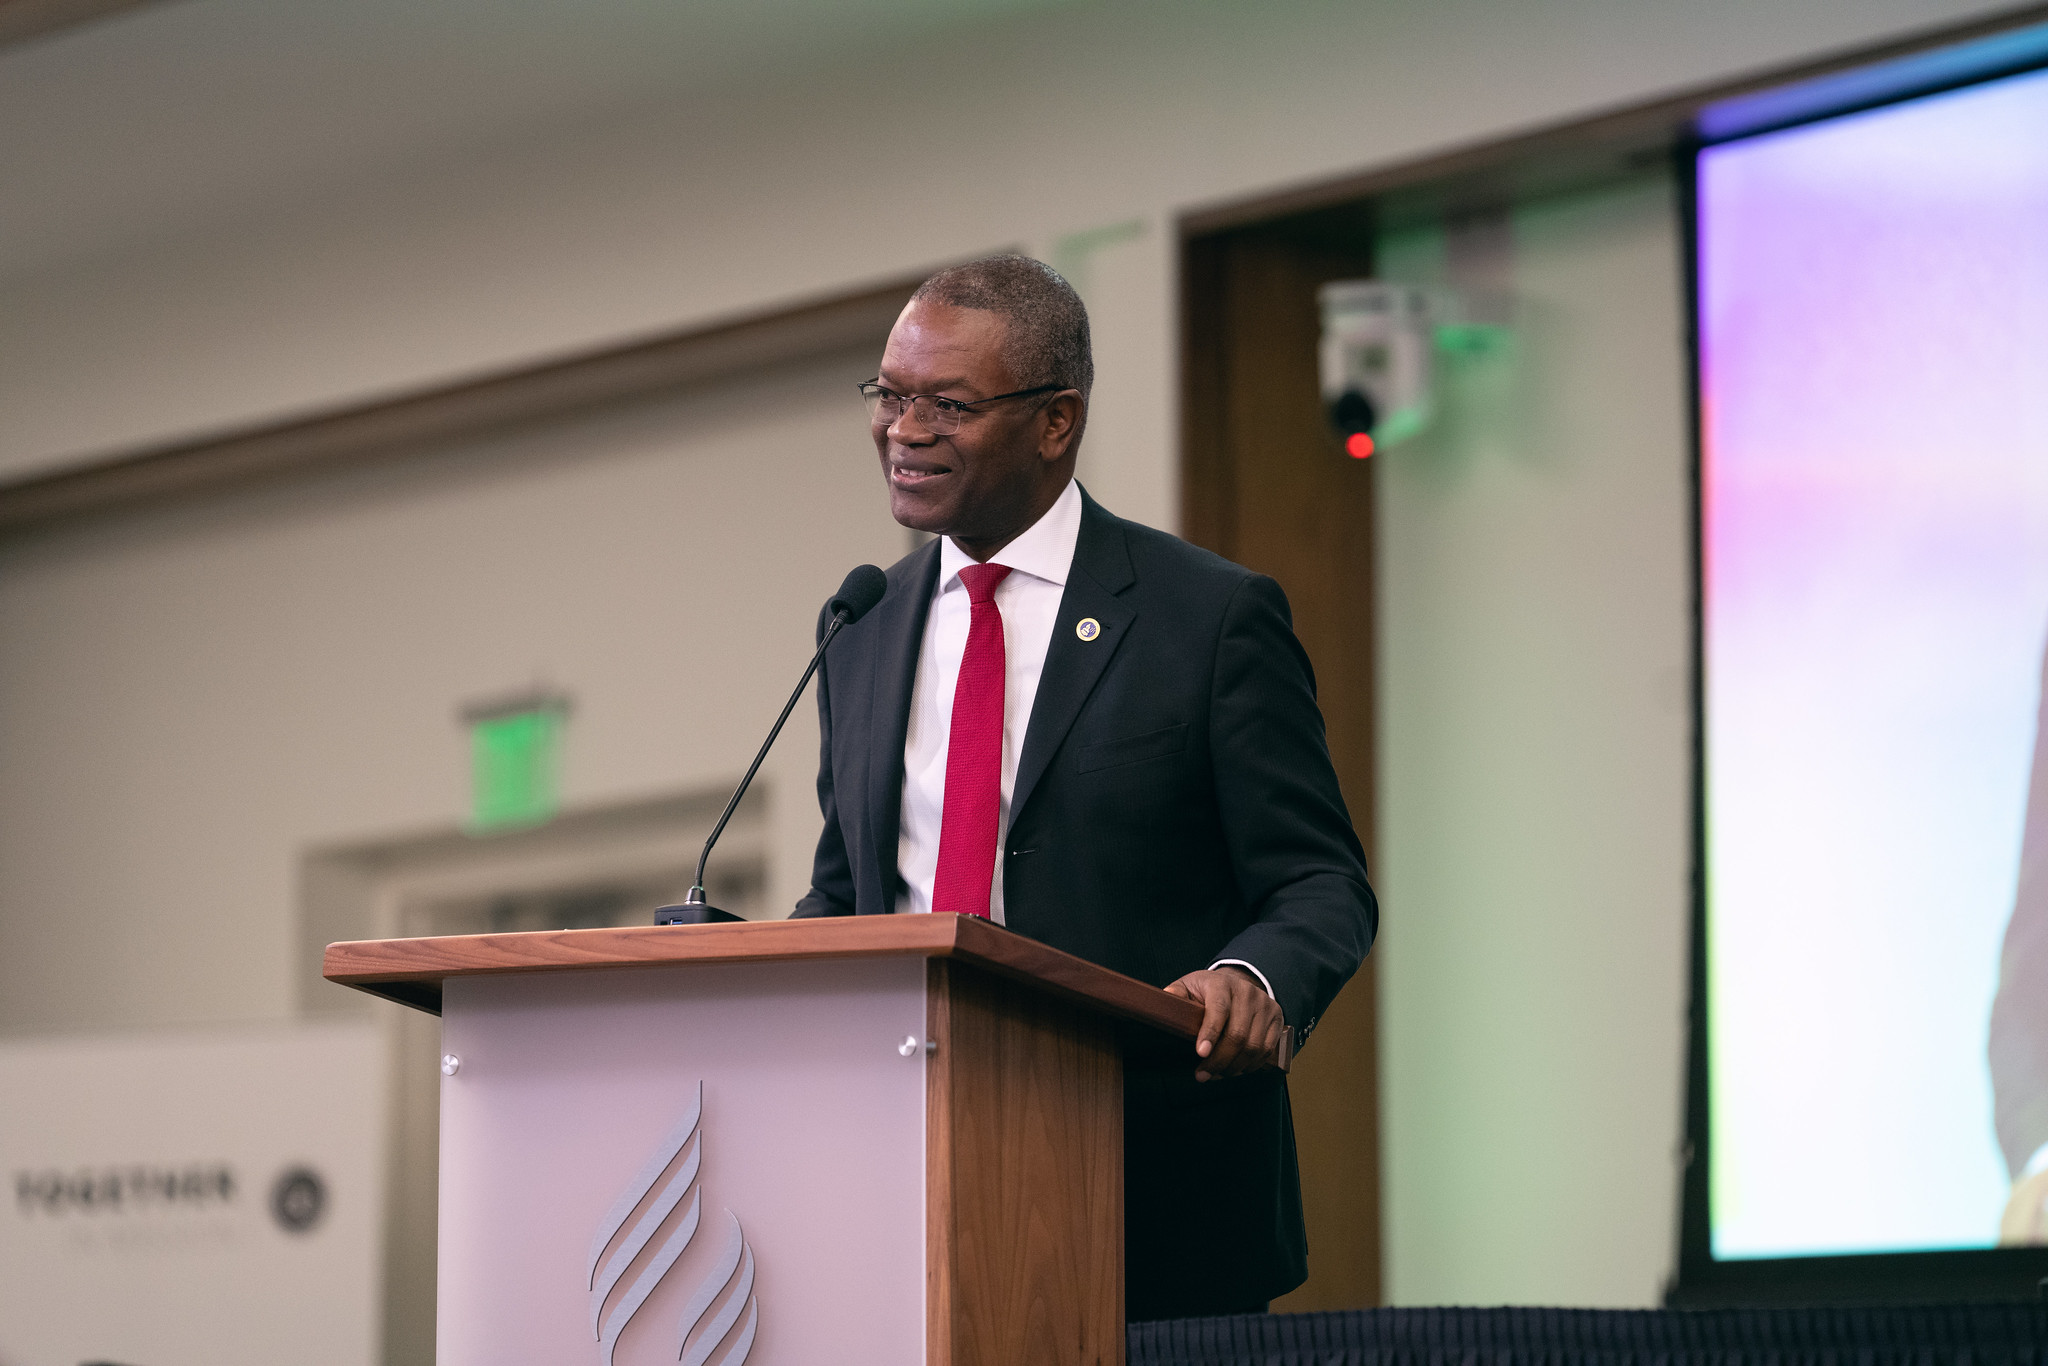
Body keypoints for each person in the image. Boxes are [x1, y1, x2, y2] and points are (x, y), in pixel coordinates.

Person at [793, 255, 1377, 1319]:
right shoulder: (862, 628)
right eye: (889, 393)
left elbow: (1319, 881)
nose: (902, 428)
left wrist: (1252, 977)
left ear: (1055, 421)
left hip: (1153, 1195)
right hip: (908, 1191)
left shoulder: (1207, 616)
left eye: (947, 404)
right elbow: (847, 900)